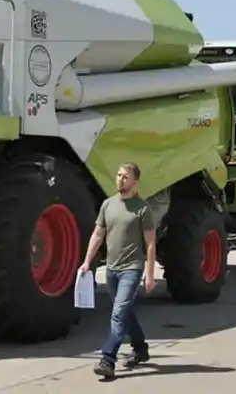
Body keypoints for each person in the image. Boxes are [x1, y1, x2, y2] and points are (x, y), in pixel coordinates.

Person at [79, 162, 156, 379]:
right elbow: (97, 234)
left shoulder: (142, 208)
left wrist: (149, 274)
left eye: (125, 176)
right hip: (112, 269)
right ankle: (141, 349)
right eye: (119, 175)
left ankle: (107, 359)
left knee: (118, 314)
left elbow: (150, 243)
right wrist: (87, 262)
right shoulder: (107, 205)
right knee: (125, 312)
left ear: (135, 182)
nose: (120, 179)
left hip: (132, 269)